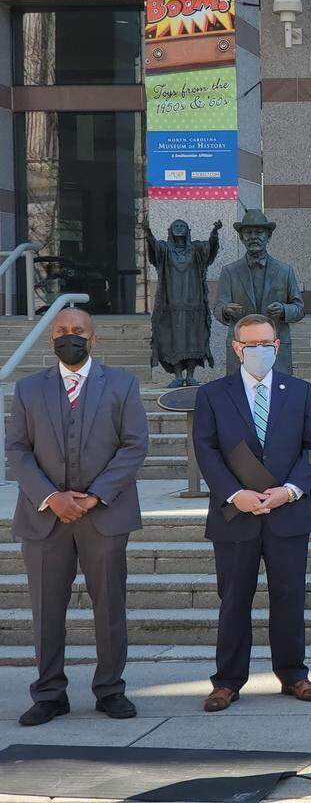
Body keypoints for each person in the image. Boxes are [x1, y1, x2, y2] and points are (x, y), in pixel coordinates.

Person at [6, 307, 148, 726]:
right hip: (45, 517)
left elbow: (135, 445)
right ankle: (49, 693)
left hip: (104, 514)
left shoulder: (122, 384)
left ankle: (110, 689)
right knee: (46, 608)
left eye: (78, 331)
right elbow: (17, 450)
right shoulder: (28, 389)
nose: (71, 337)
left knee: (110, 605)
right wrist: (52, 496)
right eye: (62, 331)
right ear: (51, 338)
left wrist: (95, 496)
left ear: (94, 338)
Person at [192, 314, 311, 712]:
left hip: (288, 514)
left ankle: (294, 674)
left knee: (289, 597)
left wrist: (291, 490)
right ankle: (227, 681)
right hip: (236, 516)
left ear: (277, 346)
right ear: (236, 348)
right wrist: (234, 494)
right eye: (251, 345)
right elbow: (206, 450)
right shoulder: (214, 394)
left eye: (267, 344)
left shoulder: (300, 391)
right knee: (233, 600)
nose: (259, 351)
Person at [213, 209, 305, 374]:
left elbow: (299, 308)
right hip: (242, 346)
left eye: (258, 232)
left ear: (268, 236)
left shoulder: (285, 271)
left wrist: (284, 310)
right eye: (248, 232)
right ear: (241, 238)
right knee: (239, 396)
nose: (253, 236)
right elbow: (218, 308)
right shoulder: (229, 271)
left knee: (279, 395)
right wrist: (226, 310)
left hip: (275, 345)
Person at [145, 218, 220, 387]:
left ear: (188, 230)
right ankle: (178, 376)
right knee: (174, 338)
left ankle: (191, 376)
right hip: (171, 303)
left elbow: (210, 250)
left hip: (194, 303)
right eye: (175, 226)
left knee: (194, 337)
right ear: (170, 231)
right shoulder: (165, 249)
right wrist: (148, 233)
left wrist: (214, 233)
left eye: (182, 226)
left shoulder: (196, 248)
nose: (179, 228)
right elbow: (154, 249)